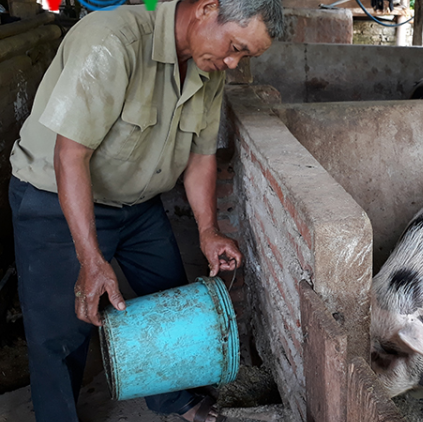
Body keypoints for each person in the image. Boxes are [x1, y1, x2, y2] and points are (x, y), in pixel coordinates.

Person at [8, 0, 283, 421]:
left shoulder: (206, 68)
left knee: (170, 295)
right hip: (55, 197)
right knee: (62, 330)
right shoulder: (113, 40)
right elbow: (71, 155)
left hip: (136, 205)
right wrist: (90, 258)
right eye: (235, 46)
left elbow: (200, 158)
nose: (231, 62)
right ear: (207, 8)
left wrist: (208, 230)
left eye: (243, 55)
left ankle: (174, 398)